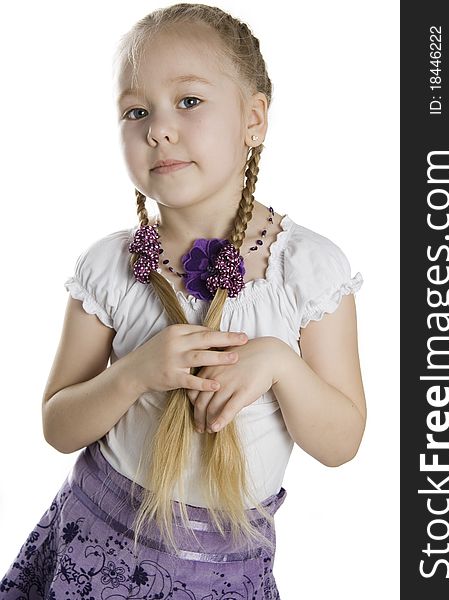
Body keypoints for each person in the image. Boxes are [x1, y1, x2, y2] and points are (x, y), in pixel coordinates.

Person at [0, 3, 366, 598]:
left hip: (222, 574)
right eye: (136, 111)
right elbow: (58, 426)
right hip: (94, 553)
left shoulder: (305, 272)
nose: (158, 128)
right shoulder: (110, 268)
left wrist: (278, 362)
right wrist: (134, 374)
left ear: (254, 118)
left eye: (189, 102)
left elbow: (342, 441)